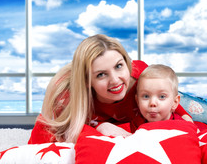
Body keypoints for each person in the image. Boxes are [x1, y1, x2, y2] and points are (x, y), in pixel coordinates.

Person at [28, 34, 192, 144]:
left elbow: (168, 97)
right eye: (101, 75)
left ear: (126, 63)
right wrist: (99, 128)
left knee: (200, 113)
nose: (115, 81)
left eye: (119, 66)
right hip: (142, 109)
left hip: (162, 98)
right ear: (86, 81)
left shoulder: (140, 76)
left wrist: (185, 116)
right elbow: (38, 143)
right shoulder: (67, 97)